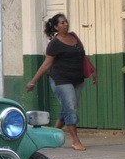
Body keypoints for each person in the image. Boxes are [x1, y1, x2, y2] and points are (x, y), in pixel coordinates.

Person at [26, 13, 98, 151]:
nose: (65, 24)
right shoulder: (54, 44)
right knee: (70, 108)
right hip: (61, 79)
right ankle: (75, 140)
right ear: (55, 26)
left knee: (68, 108)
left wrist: (93, 71)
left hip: (77, 79)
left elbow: (83, 56)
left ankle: (51, 135)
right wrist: (33, 81)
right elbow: (46, 65)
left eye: (66, 22)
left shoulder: (74, 37)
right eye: (62, 23)